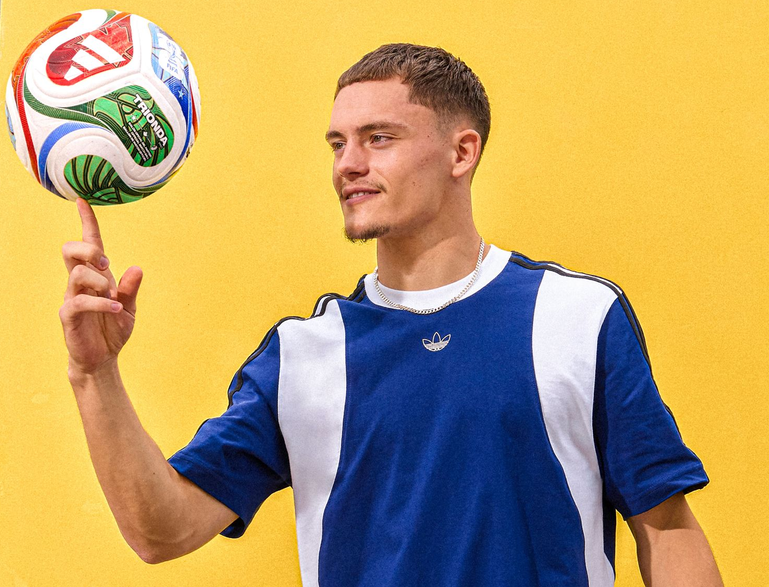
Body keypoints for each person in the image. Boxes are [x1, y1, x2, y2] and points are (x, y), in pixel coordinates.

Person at [59, 43, 724, 586]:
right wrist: (95, 376)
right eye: (337, 143)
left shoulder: (578, 317)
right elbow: (162, 531)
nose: (348, 164)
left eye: (378, 138)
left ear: (462, 153)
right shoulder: (301, 356)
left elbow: (664, 526)